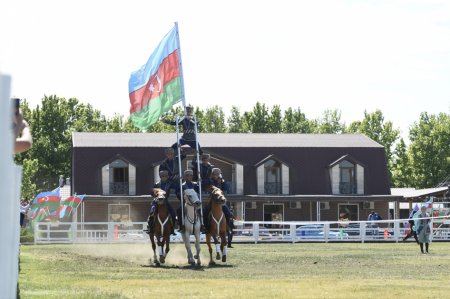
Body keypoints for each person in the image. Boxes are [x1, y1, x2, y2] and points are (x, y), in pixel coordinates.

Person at [147, 170, 177, 235]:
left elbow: (177, 186)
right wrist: (156, 195)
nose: (164, 177)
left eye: (165, 176)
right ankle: (150, 228)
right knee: (151, 213)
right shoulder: (157, 184)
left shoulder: (169, 183)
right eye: (163, 176)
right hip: (157, 201)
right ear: (160, 177)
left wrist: (178, 179)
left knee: (173, 213)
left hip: (165, 201)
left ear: (167, 177)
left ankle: (172, 229)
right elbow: (152, 193)